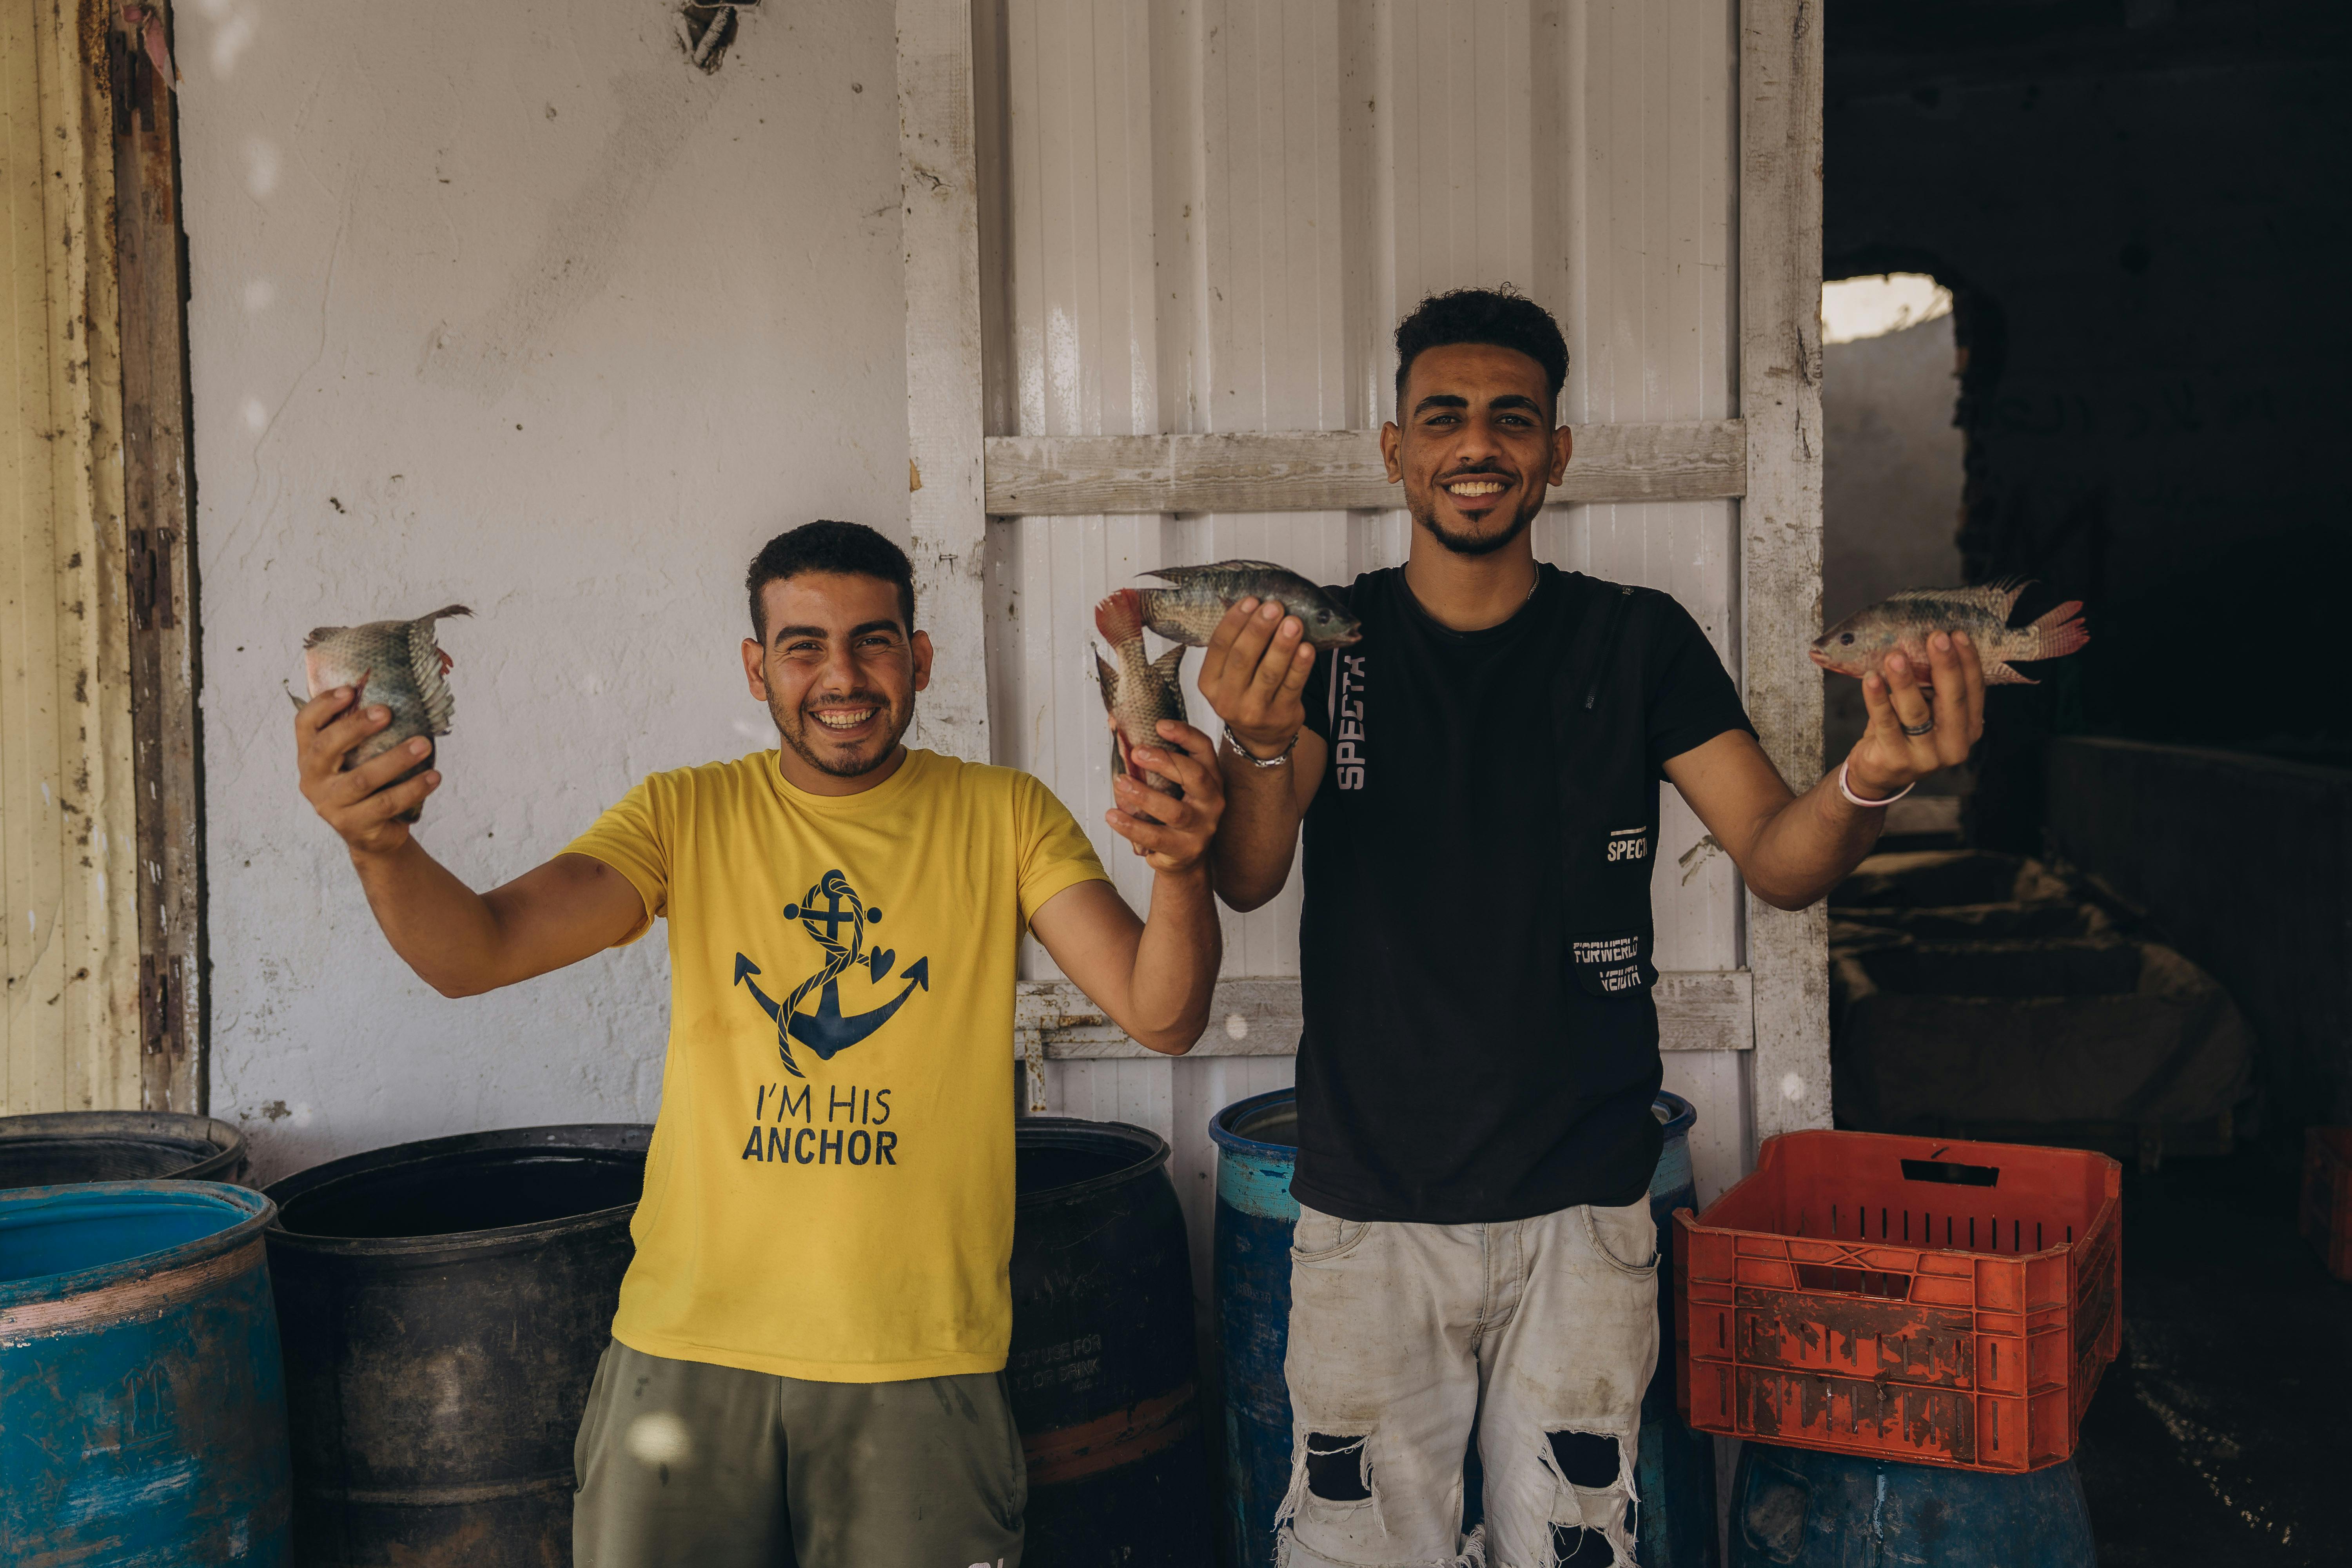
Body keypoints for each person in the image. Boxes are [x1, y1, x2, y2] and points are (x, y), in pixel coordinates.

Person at [1195, 289, 1986, 1568]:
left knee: (1576, 1553)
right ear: (1392, 449)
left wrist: (1877, 773)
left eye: (1514, 418)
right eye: (1442, 415)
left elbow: (1781, 862)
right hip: (1368, 1216)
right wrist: (1249, 740)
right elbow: (1245, 875)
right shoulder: (1322, 648)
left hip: (1585, 1213)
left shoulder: (1637, 640)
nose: (1477, 443)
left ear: (1557, 453)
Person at [294, 521, 1225, 1568]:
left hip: (919, 1366)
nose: (842, 676)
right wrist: (378, 845)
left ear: (920, 659)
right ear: (757, 668)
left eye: (874, 643)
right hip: (685, 1359)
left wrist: (1181, 869)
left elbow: (1163, 1012)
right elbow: (475, 952)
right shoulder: (686, 815)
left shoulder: (1002, 817)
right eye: (803, 646)